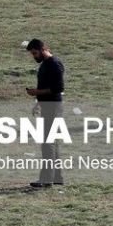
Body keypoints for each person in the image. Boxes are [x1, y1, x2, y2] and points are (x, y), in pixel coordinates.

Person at [24, 39, 65, 188]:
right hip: (48, 106)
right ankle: (57, 177)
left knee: (48, 144)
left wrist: (37, 92)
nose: (34, 56)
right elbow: (45, 86)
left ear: (42, 49)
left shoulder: (55, 64)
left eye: (35, 53)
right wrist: (38, 102)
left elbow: (58, 88)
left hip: (53, 107)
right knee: (52, 143)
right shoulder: (45, 64)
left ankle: (46, 179)